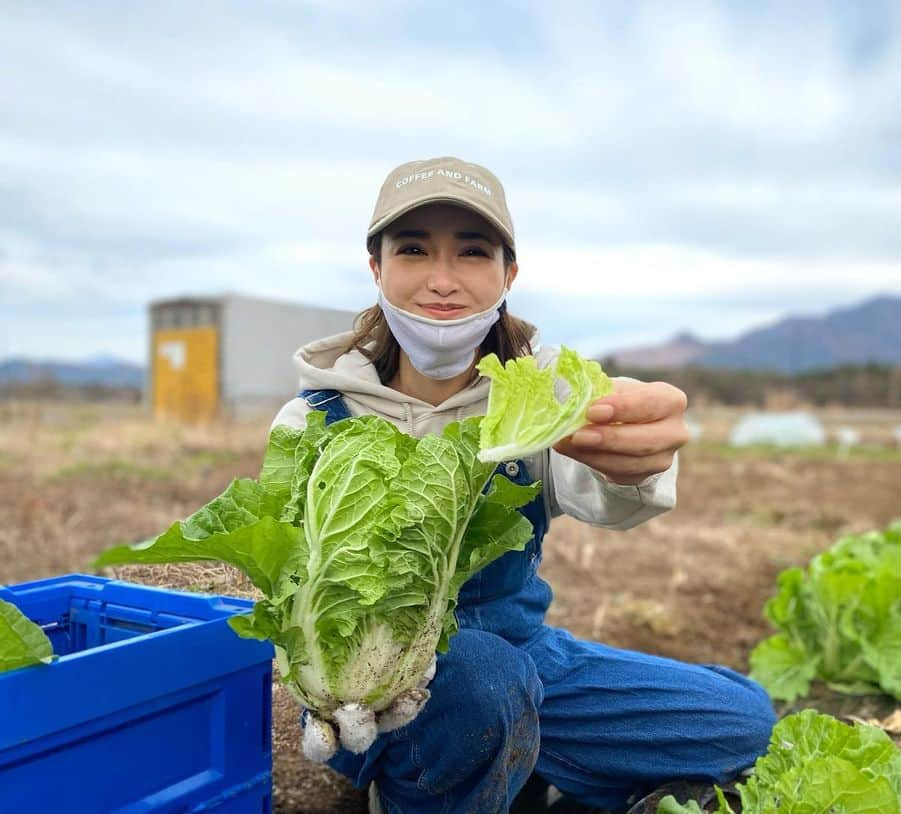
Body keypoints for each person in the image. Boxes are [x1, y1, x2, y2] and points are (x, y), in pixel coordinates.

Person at [271, 157, 775, 814]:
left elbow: (602, 491)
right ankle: (420, 789)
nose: (442, 280)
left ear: (509, 274)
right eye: (414, 250)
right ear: (377, 268)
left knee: (744, 720)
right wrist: (327, 688)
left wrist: (633, 457)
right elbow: (294, 584)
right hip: (386, 688)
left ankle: (526, 768)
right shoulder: (311, 419)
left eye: (473, 253)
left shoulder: (535, 401)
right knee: (482, 681)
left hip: (526, 654)